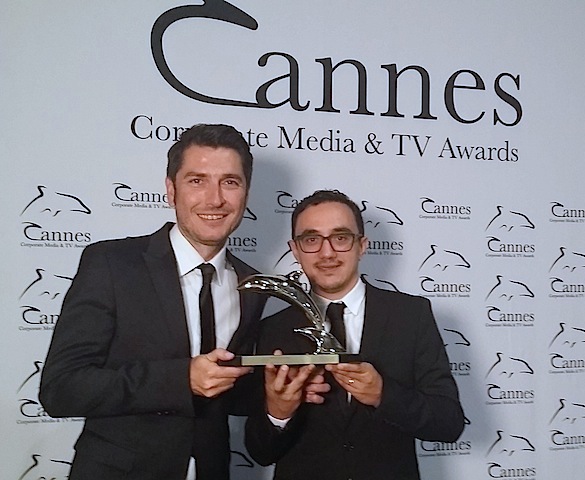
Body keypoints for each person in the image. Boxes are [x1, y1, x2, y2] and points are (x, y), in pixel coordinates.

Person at [39, 124, 268, 480]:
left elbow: (228, 393)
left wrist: (277, 393)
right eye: (197, 181)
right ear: (170, 190)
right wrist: (181, 379)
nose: (215, 199)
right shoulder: (111, 264)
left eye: (230, 182)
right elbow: (61, 389)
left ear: (246, 194)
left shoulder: (252, 285)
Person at [245, 189, 465, 480]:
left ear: (362, 245)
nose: (327, 253)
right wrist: (278, 412)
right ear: (295, 250)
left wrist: (382, 394)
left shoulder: (412, 316)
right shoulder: (272, 328)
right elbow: (260, 452)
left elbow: (449, 424)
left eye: (340, 238)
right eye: (311, 240)